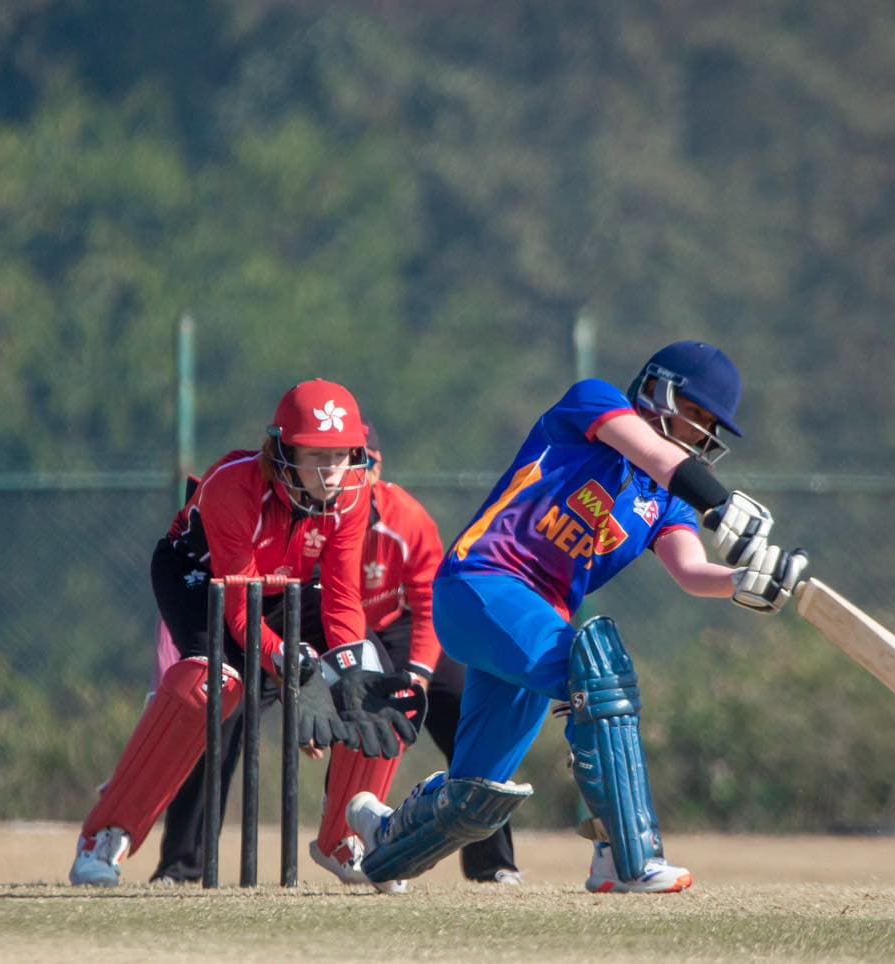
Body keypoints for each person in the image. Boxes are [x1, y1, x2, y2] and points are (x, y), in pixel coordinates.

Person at [344, 340, 809, 894]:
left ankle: (380, 838)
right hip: (482, 584)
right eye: (698, 414)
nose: (704, 433)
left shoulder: (667, 500)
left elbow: (689, 569)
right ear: (659, 390)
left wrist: (741, 582)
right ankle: (623, 854)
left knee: (475, 797)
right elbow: (661, 458)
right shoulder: (594, 404)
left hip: (533, 621)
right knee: (598, 674)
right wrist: (721, 503)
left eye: (713, 425)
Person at [70, 379, 420, 887]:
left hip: (289, 585)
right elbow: (239, 614)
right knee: (207, 689)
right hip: (201, 577)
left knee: (373, 677)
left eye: (342, 455)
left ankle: (346, 838)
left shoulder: (351, 493)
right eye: (315, 456)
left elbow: (343, 596)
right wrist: (294, 666)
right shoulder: (234, 486)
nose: (332, 471)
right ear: (282, 451)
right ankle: (105, 836)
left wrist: (343, 674)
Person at [147, 423, 521, 887]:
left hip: (397, 628)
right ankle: (182, 864)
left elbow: (429, 603)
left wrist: (417, 679)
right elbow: (295, 604)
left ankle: (490, 862)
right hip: (317, 624)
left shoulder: (406, 519)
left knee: (461, 711)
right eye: (324, 462)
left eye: (352, 462)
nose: (339, 476)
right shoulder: (309, 511)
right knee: (224, 710)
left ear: (372, 467)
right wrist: (307, 693)